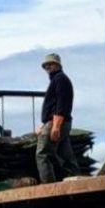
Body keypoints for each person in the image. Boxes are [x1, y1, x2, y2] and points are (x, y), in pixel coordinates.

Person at [36, 53, 81, 183]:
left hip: (57, 122)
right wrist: (44, 125)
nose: (48, 67)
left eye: (50, 64)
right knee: (65, 155)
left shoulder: (60, 79)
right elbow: (54, 105)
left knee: (42, 154)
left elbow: (61, 105)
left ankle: (48, 186)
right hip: (58, 122)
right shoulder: (58, 80)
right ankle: (78, 183)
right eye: (46, 66)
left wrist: (55, 126)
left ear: (57, 65)